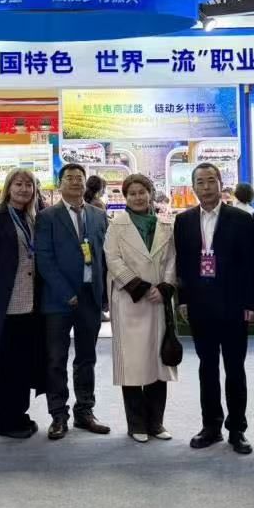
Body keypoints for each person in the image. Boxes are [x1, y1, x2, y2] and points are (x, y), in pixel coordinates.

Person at [174, 162, 254, 453]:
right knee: (206, 367)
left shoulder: (241, 218)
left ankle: (237, 429)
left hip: (234, 305)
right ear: (193, 187)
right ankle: (210, 426)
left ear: (221, 184)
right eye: (200, 182)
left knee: (235, 368)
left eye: (211, 181)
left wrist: (251, 303)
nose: (206, 187)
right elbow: (182, 264)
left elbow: (252, 264)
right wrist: (183, 299)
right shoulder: (183, 220)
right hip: (200, 305)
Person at [0, 168, 48, 438]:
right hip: (4, 304)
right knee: (4, 365)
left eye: (29, 185)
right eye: (18, 184)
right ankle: (2, 422)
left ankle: (19, 415)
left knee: (22, 364)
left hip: (30, 304)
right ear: (8, 188)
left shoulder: (31, 217)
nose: (24, 189)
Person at [36, 162, 111, 440]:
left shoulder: (98, 215)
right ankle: (58, 415)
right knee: (56, 359)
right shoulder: (47, 216)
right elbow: (44, 258)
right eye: (70, 178)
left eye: (80, 178)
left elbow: (105, 256)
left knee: (86, 358)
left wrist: (104, 296)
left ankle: (85, 411)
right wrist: (66, 292)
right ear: (60, 184)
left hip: (90, 297)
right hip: (59, 300)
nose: (76, 182)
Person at [105, 173, 177, 443]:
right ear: (125, 197)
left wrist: (165, 287)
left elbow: (172, 259)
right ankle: (136, 424)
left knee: (159, 363)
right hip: (130, 302)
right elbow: (112, 259)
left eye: (142, 192)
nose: (138, 197)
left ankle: (156, 423)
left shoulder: (165, 224)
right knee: (133, 365)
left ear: (150, 194)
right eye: (132, 193)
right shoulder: (116, 225)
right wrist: (140, 287)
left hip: (158, 302)